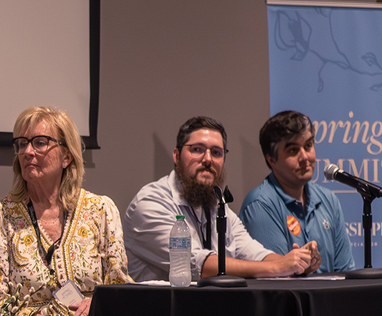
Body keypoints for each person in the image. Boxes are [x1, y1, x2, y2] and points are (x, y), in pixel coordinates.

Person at [0, 107, 131, 316]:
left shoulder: (101, 210)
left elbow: (120, 288)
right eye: (22, 144)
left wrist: (97, 307)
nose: (28, 152)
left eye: (40, 142)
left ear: (67, 155)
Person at [123, 116, 317, 281]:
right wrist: (279, 267)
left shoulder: (217, 205)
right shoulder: (150, 203)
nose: (208, 159)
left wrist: (296, 262)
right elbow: (198, 264)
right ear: (176, 155)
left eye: (216, 152)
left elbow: (253, 253)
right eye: (197, 149)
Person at [240, 111, 356, 273]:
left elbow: (345, 273)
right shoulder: (261, 204)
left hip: (330, 297)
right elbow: (277, 279)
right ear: (272, 160)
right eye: (293, 150)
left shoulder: (328, 199)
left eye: (308, 146)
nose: (304, 157)